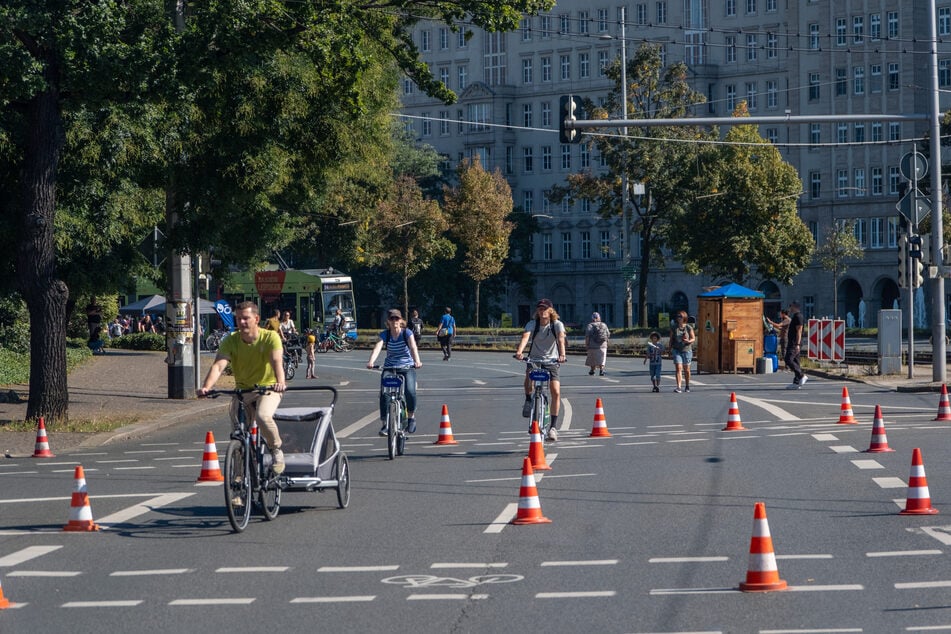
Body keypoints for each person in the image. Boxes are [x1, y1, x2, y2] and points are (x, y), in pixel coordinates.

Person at [197, 301, 287, 474]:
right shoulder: (231, 340)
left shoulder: (270, 337)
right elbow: (218, 366)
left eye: (246, 318)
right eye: (238, 319)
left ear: (257, 319)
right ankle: (238, 482)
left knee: (262, 416)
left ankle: (276, 450)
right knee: (238, 436)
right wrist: (206, 387)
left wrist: (280, 382)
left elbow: (277, 362)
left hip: (268, 389)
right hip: (242, 392)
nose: (242, 322)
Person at [514, 299, 567, 441]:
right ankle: (527, 399)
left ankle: (553, 428)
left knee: (555, 391)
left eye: (544, 309)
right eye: (539, 309)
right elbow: (525, 337)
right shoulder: (532, 324)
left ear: (551, 311)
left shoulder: (557, 325)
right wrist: (520, 352)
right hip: (535, 359)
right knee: (528, 378)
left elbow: (561, 339)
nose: (541, 311)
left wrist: (562, 355)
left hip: (552, 360)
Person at [366, 309, 423, 435]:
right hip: (390, 368)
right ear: (388, 322)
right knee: (384, 393)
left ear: (401, 320)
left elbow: (413, 347)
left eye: (397, 319)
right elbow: (378, 347)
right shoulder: (385, 334)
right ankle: (385, 424)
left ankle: (411, 417)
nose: (394, 321)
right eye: (392, 319)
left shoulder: (406, 333)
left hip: (406, 367)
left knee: (410, 391)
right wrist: (371, 361)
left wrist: (417, 361)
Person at [669, 310, 695, 393]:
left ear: (684, 317)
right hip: (677, 350)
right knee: (678, 368)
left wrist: (688, 341)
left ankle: (687, 385)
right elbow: (671, 339)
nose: (678, 318)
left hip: (687, 350)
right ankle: (678, 387)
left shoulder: (688, 327)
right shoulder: (674, 327)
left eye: (680, 316)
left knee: (686, 369)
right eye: (677, 316)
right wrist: (669, 349)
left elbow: (693, 338)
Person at [785, 300, 807, 389]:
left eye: (791, 306)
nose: (790, 308)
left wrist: (797, 344)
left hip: (795, 343)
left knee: (788, 359)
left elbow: (799, 331)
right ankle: (796, 382)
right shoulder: (795, 316)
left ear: (795, 306)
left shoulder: (798, 317)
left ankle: (801, 375)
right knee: (796, 361)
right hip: (793, 342)